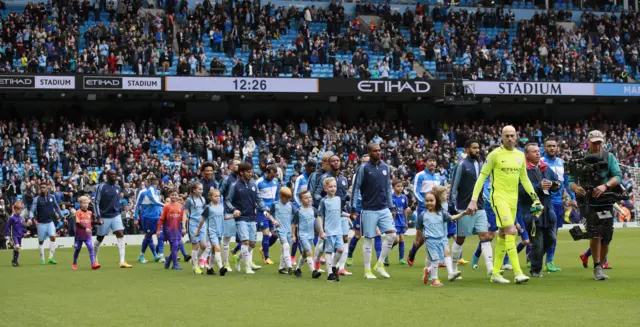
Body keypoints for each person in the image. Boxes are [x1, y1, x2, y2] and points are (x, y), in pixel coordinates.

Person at [467, 125, 541, 284]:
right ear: (501, 137)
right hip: (498, 198)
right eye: (506, 135)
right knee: (511, 230)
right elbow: (482, 177)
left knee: (502, 234)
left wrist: (535, 197)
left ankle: (495, 273)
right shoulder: (494, 155)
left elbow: (525, 179)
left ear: (516, 137)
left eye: (512, 135)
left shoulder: (520, 155)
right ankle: (518, 272)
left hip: (513, 200)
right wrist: (474, 199)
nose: (509, 138)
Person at [569, 130, 622, 281]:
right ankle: (597, 267)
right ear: (588, 142)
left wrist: (605, 186)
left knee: (607, 236)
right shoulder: (579, 158)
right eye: (594, 143)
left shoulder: (609, 157)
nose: (597, 145)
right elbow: (571, 179)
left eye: (599, 142)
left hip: (605, 200)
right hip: (588, 201)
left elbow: (617, 175)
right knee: (595, 232)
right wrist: (575, 188)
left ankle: (601, 263)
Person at [351, 143, 396, 279]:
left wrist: (391, 205)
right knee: (369, 239)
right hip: (368, 209)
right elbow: (356, 188)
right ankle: (367, 270)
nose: (378, 152)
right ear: (369, 152)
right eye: (375, 151)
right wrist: (353, 207)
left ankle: (380, 264)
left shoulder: (385, 167)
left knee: (392, 235)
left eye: (379, 150)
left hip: (383, 208)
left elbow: (388, 188)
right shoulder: (363, 168)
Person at [449, 140, 494, 277]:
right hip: (464, 208)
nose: (477, 150)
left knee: (484, 236)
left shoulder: (481, 164)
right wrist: (454, 207)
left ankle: (490, 269)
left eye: (478, 147)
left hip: (480, 207)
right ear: (467, 149)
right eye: (474, 148)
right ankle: (454, 269)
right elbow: (454, 187)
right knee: (461, 239)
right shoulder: (461, 165)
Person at [520, 143, 560, 277]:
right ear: (526, 155)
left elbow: (556, 181)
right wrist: (538, 186)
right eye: (534, 152)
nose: (537, 153)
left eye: (538, 151)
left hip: (548, 208)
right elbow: (519, 190)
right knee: (537, 241)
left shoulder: (545, 167)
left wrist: (555, 185)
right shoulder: (522, 170)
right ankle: (535, 269)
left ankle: (533, 257)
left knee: (551, 238)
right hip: (532, 210)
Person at [226, 162, 268, 274]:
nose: (251, 174)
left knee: (252, 243)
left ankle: (238, 257)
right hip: (241, 218)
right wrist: (233, 210)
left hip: (252, 217)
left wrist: (264, 208)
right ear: (241, 172)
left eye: (251, 172)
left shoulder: (253, 185)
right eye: (248, 172)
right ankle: (247, 267)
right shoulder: (235, 185)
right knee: (245, 242)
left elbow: (258, 199)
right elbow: (228, 201)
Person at [418, 192, 466, 287]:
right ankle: (434, 280)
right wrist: (417, 240)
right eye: (427, 201)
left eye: (431, 200)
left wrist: (463, 214)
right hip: (430, 240)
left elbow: (451, 218)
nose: (429, 203)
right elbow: (419, 228)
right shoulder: (423, 215)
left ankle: (428, 270)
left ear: (436, 201)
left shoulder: (441, 213)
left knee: (439, 261)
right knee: (435, 260)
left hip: (440, 240)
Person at [315, 155, 351, 276]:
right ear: (329, 164)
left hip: (340, 212)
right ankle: (319, 262)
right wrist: (326, 205)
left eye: (338, 160)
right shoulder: (324, 178)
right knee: (326, 245)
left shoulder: (344, 179)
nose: (336, 162)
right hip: (329, 216)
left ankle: (339, 267)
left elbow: (345, 195)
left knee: (344, 240)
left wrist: (348, 210)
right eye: (333, 161)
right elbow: (316, 194)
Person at [541, 137, 572, 272]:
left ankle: (549, 261)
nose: (552, 148)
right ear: (544, 148)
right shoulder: (541, 162)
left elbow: (566, 182)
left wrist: (573, 196)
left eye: (554, 146)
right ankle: (533, 258)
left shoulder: (561, 162)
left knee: (554, 233)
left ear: (558, 148)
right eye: (549, 146)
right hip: (544, 201)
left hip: (558, 202)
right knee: (540, 232)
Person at [407, 153, 444, 266]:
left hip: (436, 210)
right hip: (423, 210)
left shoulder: (439, 177)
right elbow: (415, 191)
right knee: (420, 239)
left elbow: (441, 194)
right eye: (430, 160)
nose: (432, 162)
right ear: (425, 162)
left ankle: (439, 259)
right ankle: (412, 253)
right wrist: (425, 202)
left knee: (436, 234)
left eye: (434, 160)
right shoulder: (420, 175)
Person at [93, 170, 133, 268]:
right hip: (104, 216)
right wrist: (98, 216)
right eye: (111, 174)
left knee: (120, 234)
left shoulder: (117, 187)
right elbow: (96, 202)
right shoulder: (101, 186)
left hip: (115, 215)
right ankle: (94, 259)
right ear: (107, 176)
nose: (114, 176)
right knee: (100, 238)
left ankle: (122, 261)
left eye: (115, 174)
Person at [471, 144, 500, 270]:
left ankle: (504, 262)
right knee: (488, 235)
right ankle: (477, 256)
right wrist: (490, 198)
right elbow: (482, 184)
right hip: (489, 204)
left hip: (501, 202)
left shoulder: (503, 166)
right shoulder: (485, 166)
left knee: (495, 235)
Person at [196, 189, 228, 276]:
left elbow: (224, 217)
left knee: (214, 251)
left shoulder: (222, 206)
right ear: (210, 197)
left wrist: (233, 216)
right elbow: (202, 219)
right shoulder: (208, 208)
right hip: (211, 231)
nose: (218, 197)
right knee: (217, 248)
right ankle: (221, 268)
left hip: (220, 231)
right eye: (215, 196)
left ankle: (209, 269)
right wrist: (198, 230)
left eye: (219, 196)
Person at [292, 189, 322, 279]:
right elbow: (293, 224)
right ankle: (313, 271)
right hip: (302, 235)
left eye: (310, 197)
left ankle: (297, 269)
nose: (309, 199)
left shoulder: (313, 210)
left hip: (311, 235)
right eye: (306, 198)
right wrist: (293, 235)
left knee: (305, 253)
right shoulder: (299, 211)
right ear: (301, 200)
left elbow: (317, 220)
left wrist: (320, 231)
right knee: (309, 252)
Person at [30, 183, 63, 265]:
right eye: (41, 188)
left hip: (50, 222)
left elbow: (56, 207)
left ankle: (51, 258)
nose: (42, 189)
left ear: (47, 188)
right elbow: (32, 210)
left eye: (44, 187)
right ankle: (42, 259)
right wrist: (30, 218)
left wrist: (62, 216)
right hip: (41, 223)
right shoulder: (37, 199)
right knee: (41, 241)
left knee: (53, 237)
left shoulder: (52, 197)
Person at [134, 177, 164, 264]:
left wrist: (161, 214)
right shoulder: (143, 192)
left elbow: (157, 205)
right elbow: (137, 205)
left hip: (157, 217)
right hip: (147, 217)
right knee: (148, 236)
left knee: (160, 235)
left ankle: (160, 255)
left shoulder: (157, 192)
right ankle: (142, 255)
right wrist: (136, 217)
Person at [291, 160, 316, 263]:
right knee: (297, 234)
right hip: (300, 209)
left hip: (309, 210)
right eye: (311, 167)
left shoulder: (314, 178)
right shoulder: (300, 178)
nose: (313, 169)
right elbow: (295, 194)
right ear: (306, 168)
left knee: (311, 231)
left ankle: (305, 253)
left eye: (314, 167)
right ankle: (292, 256)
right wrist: (301, 207)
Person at [157, 189, 186, 271]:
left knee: (177, 246)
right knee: (175, 246)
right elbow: (161, 219)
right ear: (169, 196)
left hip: (178, 229)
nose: (174, 196)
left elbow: (183, 217)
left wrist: (184, 227)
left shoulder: (180, 206)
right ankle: (175, 264)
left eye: (175, 195)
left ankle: (168, 261)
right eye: (172, 195)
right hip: (169, 229)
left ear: (178, 196)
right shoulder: (166, 206)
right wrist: (158, 230)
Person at [256, 165, 280, 265]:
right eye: (271, 175)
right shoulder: (259, 182)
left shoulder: (275, 182)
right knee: (266, 233)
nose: (273, 177)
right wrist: (262, 208)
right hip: (262, 212)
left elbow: (277, 196)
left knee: (275, 235)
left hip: (272, 212)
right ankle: (266, 257)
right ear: (267, 172)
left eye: (274, 176)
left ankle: (263, 249)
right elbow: (255, 198)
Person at [218, 159, 240, 271]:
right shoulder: (226, 179)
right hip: (229, 212)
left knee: (246, 239)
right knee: (226, 239)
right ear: (230, 166)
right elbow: (219, 193)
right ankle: (226, 263)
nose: (238, 166)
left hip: (242, 212)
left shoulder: (242, 178)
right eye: (236, 164)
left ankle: (244, 260)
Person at [268, 187, 295, 275]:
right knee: (286, 246)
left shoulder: (290, 205)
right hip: (280, 229)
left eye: (288, 198)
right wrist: (273, 221)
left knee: (285, 249)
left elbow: (297, 214)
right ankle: (290, 267)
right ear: (280, 196)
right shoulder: (275, 204)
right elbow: (268, 214)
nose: (287, 200)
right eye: (285, 198)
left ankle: (281, 268)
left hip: (289, 229)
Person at [185, 182, 207, 274]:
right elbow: (185, 212)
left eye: (202, 189)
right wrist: (183, 225)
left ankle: (194, 260)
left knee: (203, 246)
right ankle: (195, 267)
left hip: (202, 224)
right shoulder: (189, 200)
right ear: (194, 190)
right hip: (193, 224)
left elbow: (205, 212)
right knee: (196, 245)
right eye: (200, 189)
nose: (202, 191)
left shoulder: (203, 199)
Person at [73, 196, 101, 271]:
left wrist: (98, 223)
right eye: (84, 203)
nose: (85, 205)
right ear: (80, 204)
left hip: (88, 235)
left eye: (87, 203)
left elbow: (91, 222)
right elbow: (78, 223)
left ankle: (93, 264)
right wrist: (86, 228)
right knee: (77, 250)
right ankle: (74, 263)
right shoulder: (78, 212)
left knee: (90, 248)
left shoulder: (90, 213)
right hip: (79, 236)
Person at [391, 180, 410, 265]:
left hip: (401, 221)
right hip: (394, 222)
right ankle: (385, 252)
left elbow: (405, 209)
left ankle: (401, 259)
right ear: (393, 187)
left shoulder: (404, 197)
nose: (400, 188)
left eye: (401, 186)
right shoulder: (391, 197)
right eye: (398, 186)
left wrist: (406, 222)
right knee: (396, 240)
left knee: (402, 239)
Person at [6, 201, 25, 267]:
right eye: (19, 210)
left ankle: (15, 261)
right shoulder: (12, 218)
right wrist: (7, 235)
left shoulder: (20, 218)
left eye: (21, 210)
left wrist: (25, 231)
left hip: (20, 236)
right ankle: (14, 261)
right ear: (16, 209)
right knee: (17, 247)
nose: (20, 211)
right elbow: (8, 226)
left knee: (18, 249)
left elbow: (21, 227)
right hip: (14, 236)